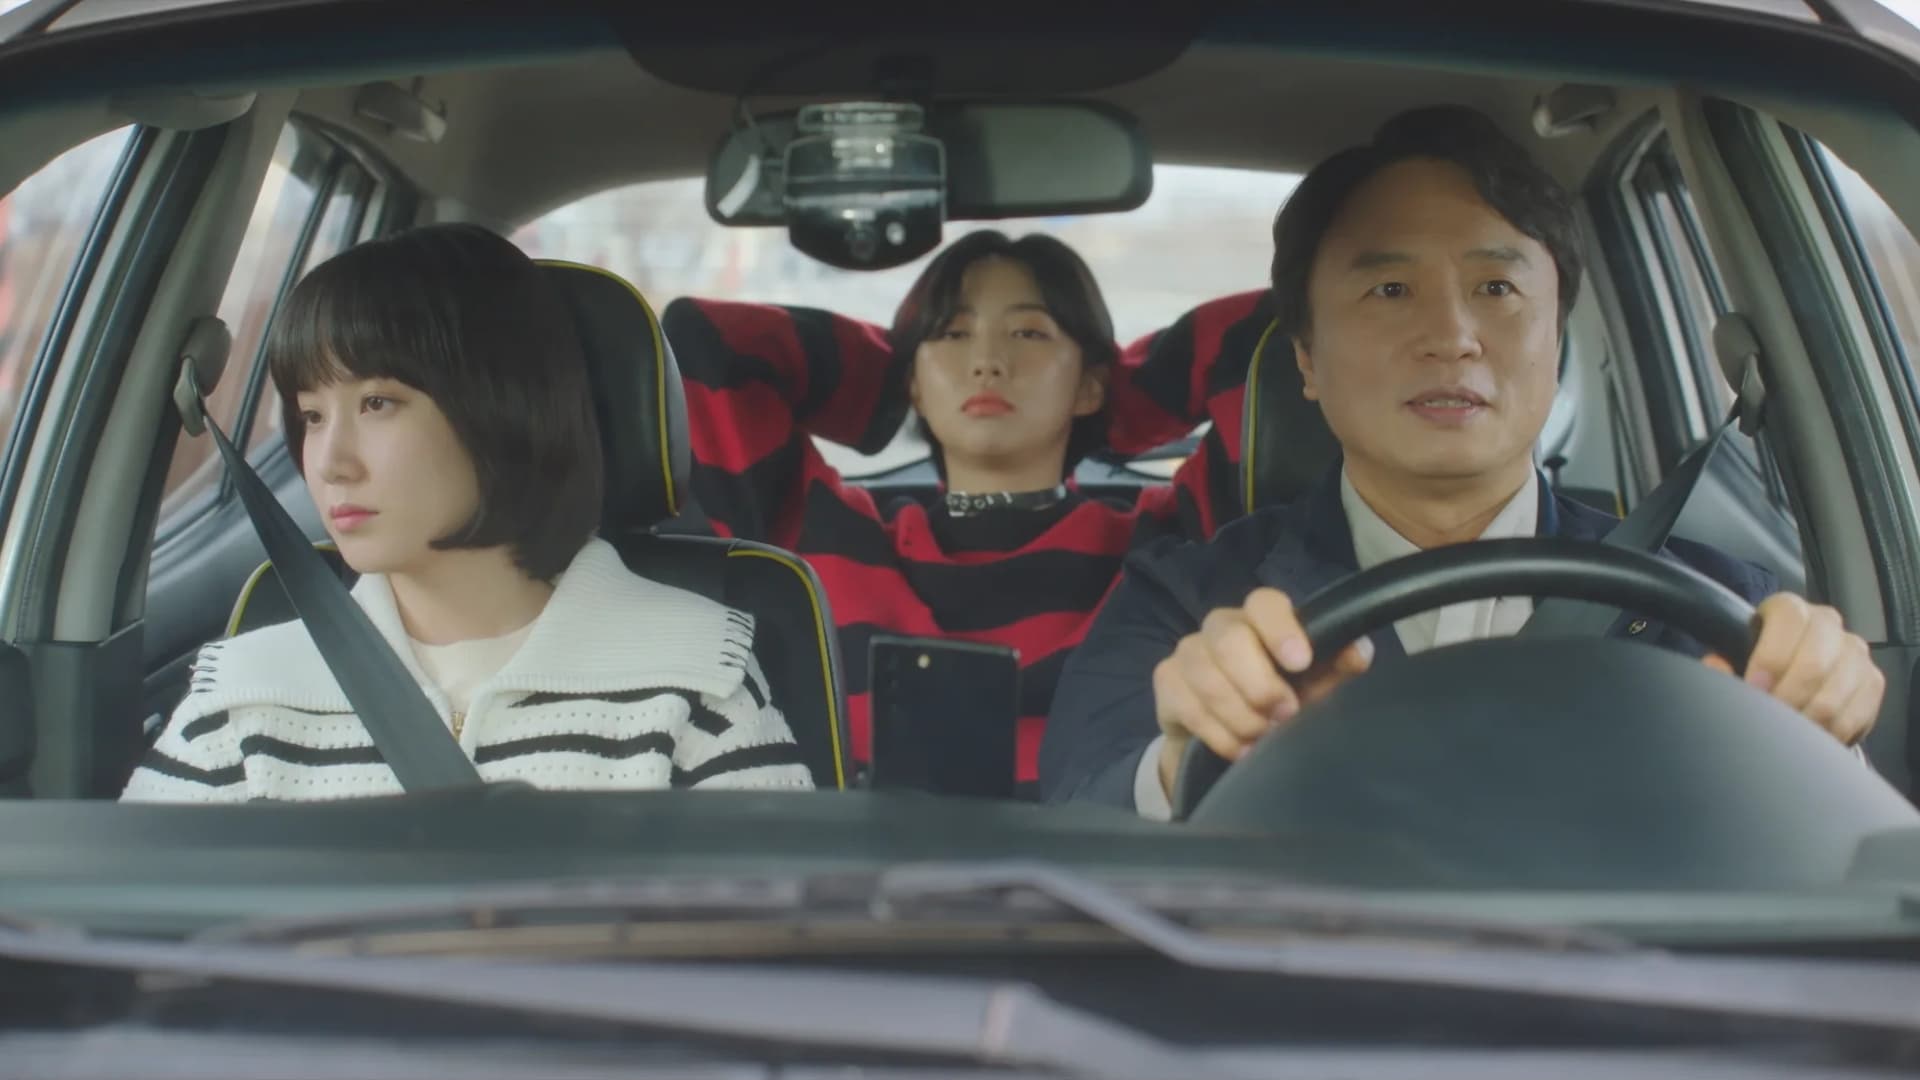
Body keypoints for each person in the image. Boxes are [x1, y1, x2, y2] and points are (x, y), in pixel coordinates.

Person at [1038, 105, 1885, 817]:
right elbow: (1080, 813)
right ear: (1306, 357)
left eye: (1497, 288)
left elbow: (1837, 861)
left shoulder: (1720, 610)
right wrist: (1188, 757)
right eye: (1390, 290)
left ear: (1557, 340)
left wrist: (1822, 730)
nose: (1451, 337)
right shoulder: (1184, 601)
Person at [123, 223, 812, 801]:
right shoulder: (245, 700)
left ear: (499, 410)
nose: (330, 463)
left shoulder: (692, 683)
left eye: (377, 404)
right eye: (311, 415)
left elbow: (780, 921)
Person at [664, 229, 1236, 790]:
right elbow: (704, 339)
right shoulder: (822, 533)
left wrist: (1122, 404)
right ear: (913, 383)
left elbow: (1263, 338)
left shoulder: (1168, 546)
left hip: (1107, 852)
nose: (987, 362)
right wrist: (890, 379)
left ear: (1090, 382)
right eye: (953, 334)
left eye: (1029, 333)